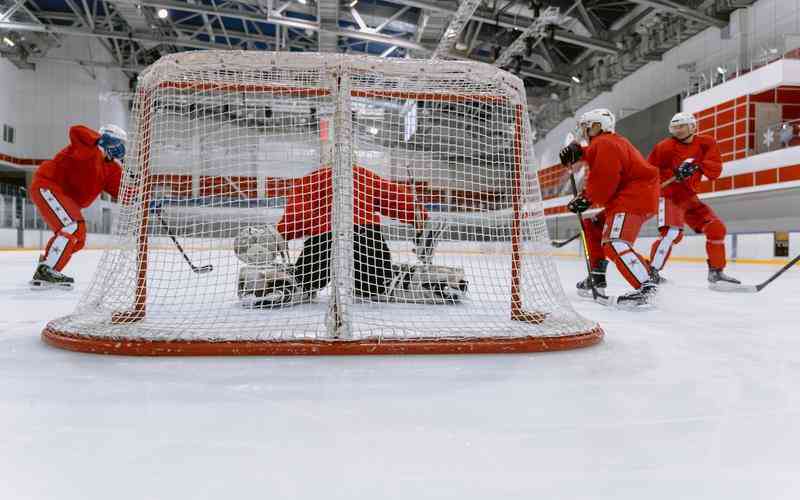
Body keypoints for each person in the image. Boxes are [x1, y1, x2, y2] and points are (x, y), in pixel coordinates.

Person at [235, 165, 466, 307]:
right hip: (367, 237)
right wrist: (420, 219)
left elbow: (299, 214)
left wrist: (281, 234)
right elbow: (396, 196)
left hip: (325, 239)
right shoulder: (363, 174)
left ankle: (266, 284)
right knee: (376, 284)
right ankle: (442, 281)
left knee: (308, 280)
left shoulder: (310, 179)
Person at [559, 108, 660, 306]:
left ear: (598, 126)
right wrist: (578, 152)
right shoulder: (606, 143)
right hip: (630, 198)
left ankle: (646, 285)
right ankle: (597, 276)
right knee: (593, 226)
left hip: (633, 199)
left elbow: (605, 178)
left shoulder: (606, 143)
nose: (585, 131)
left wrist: (586, 199)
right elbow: (596, 156)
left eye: (587, 127)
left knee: (614, 242)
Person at [647, 112, 740, 286]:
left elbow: (715, 171)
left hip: (689, 198)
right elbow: (649, 171)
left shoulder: (706, 143)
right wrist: (666, 177)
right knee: (671, 233)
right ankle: (651, 273)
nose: (678, 130)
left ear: (693, 127)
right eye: (675, 127)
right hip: (669, 196)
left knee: (716, 228)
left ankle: (716, 272)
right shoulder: (664, 147)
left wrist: (698, 166)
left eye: (682, 126)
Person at [29, 124, 127, 289]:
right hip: (48, 185)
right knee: (72, 225)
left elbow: (123, 191)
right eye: (120, 142)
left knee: (78, 239)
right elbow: (76, 130)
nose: (122, 147)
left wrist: (144, 200)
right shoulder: (88, 149)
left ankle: (47, 264)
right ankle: (47, 270)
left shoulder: (111, 168)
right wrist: (100, 140)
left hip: (65, 199)